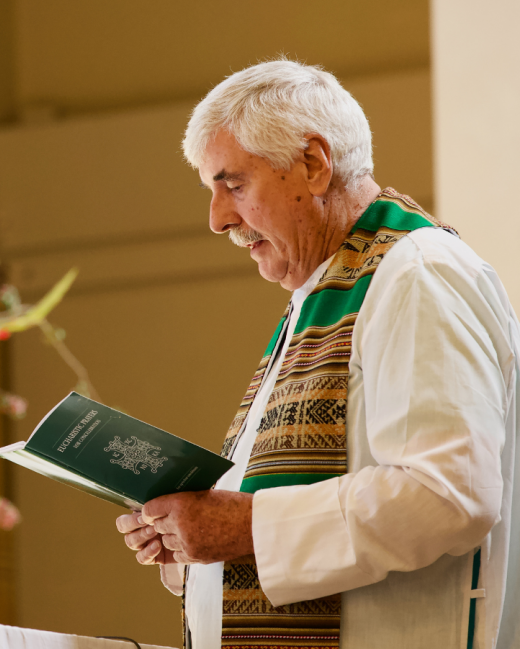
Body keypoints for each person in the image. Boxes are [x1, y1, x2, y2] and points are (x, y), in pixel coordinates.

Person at [116, 60, 519, 649]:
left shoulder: (417, 274)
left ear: (312, 164)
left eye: (233, 184)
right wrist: (187, 539)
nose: (217, 218)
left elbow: (447, 495)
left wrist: (247, 527)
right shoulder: (321, 297)